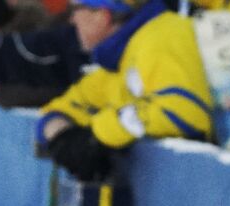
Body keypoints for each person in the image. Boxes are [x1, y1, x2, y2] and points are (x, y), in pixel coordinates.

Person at [35, 0, 214, 181]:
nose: (72, 19)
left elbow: (184, 110)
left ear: (102, 16)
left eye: (75, 9)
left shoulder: (164, 35)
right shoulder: (117, 56)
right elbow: (61, 108)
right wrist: (62, 134)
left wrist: (99, 135)